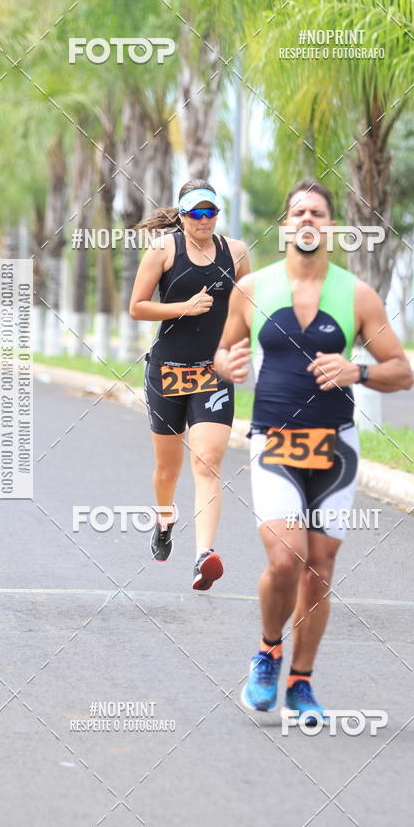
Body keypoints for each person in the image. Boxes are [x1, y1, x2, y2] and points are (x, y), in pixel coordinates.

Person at [214, 178, 414, 722]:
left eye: (318, 213)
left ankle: (301, 681)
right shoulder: (252, 288)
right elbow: (224, 353)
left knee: (319, 566)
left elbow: (402, 372)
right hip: (274, 440)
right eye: (298, 211)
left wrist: (359, 369)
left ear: (332, 227)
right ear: (284, 227)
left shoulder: (357, 295)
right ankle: (267, 651)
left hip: (336, 448)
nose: (308, 219)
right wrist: (225, 366)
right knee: (286, 557)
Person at [130, 180, 250, 590]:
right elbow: (136, 307)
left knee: (207, 462)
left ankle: (204, 556)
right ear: (181, 216)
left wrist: (240, 348)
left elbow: (246, 306)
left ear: (218, 214)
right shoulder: (163, 250)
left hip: (212, 372)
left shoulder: (236, 252)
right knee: (168, 468)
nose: (203, 220)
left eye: (210, 212)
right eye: (195, 213)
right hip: (167, 370)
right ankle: (165, 517)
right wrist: (184, 307)